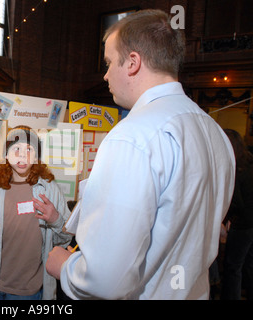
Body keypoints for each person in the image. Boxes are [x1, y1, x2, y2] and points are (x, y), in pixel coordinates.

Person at [46, 9, 236, 300]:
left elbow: (106, 281)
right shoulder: (214, 132)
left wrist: (66, 268)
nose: (106, 74)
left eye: (109, 62)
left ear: (132, 62)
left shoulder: (133, 136)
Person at [0, 125, 72, 300]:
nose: (23, 155)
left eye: (29, 149)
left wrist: (56, 220)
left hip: (32, 290)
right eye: (16, 148)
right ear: (6, 155)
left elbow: (65, 241)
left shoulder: (50, 189)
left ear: (37, 157)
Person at [221, 129, 253, 300]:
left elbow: (237, 203)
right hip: (249, 223)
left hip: (243, 224)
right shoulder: (248, 162)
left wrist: (225, 218)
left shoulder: (237, 169)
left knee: (233, 267)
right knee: (248, 265)